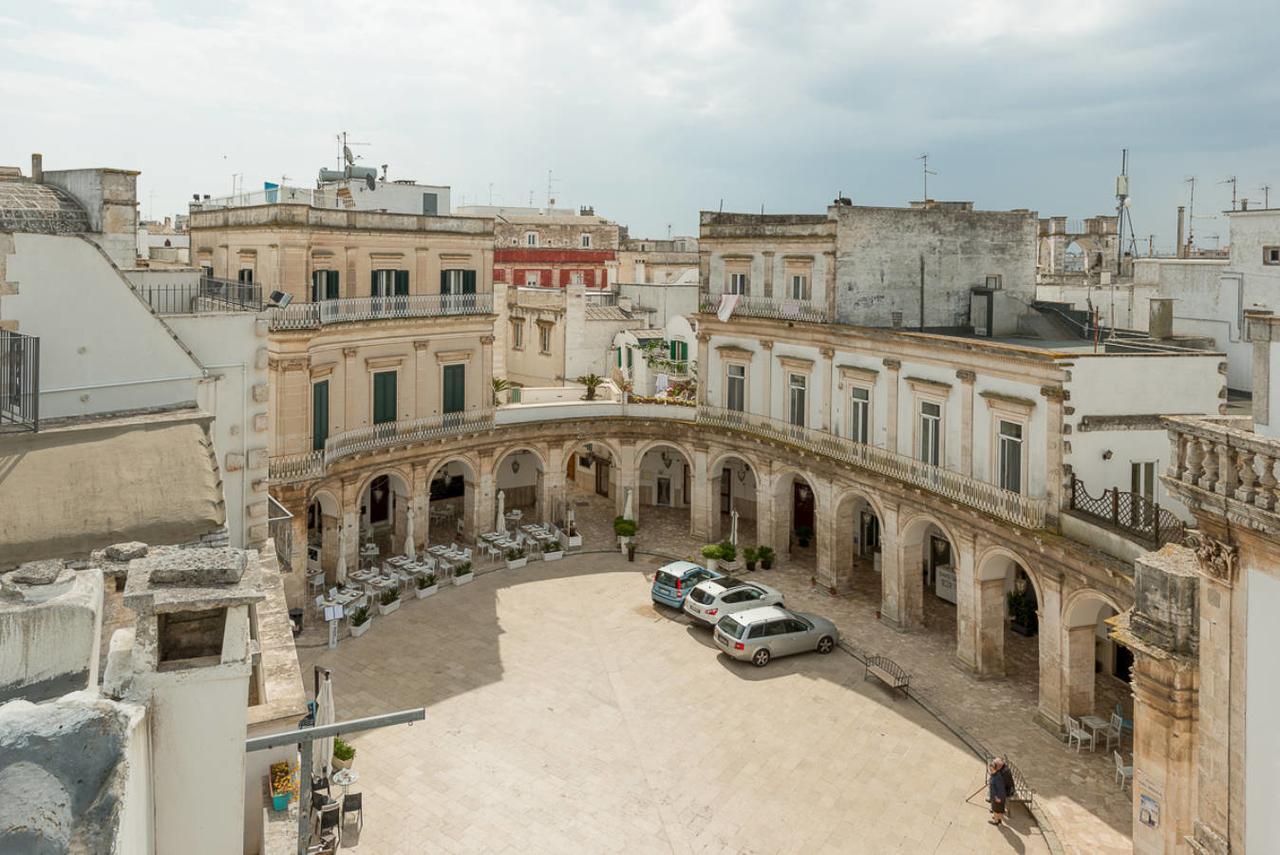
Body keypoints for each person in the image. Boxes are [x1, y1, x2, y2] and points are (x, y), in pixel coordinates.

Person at [988, 758, 1009, 826]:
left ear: (995, 769)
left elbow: (1001, 789)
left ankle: (996, 821)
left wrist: (998, 797)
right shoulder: (995, 775)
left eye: (991, 769)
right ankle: (999, 820)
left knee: (995, 809)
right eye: (990, 769)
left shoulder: (998, 778)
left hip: (997, 797)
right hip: (997, 796)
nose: (990, 771)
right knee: (999, 809)